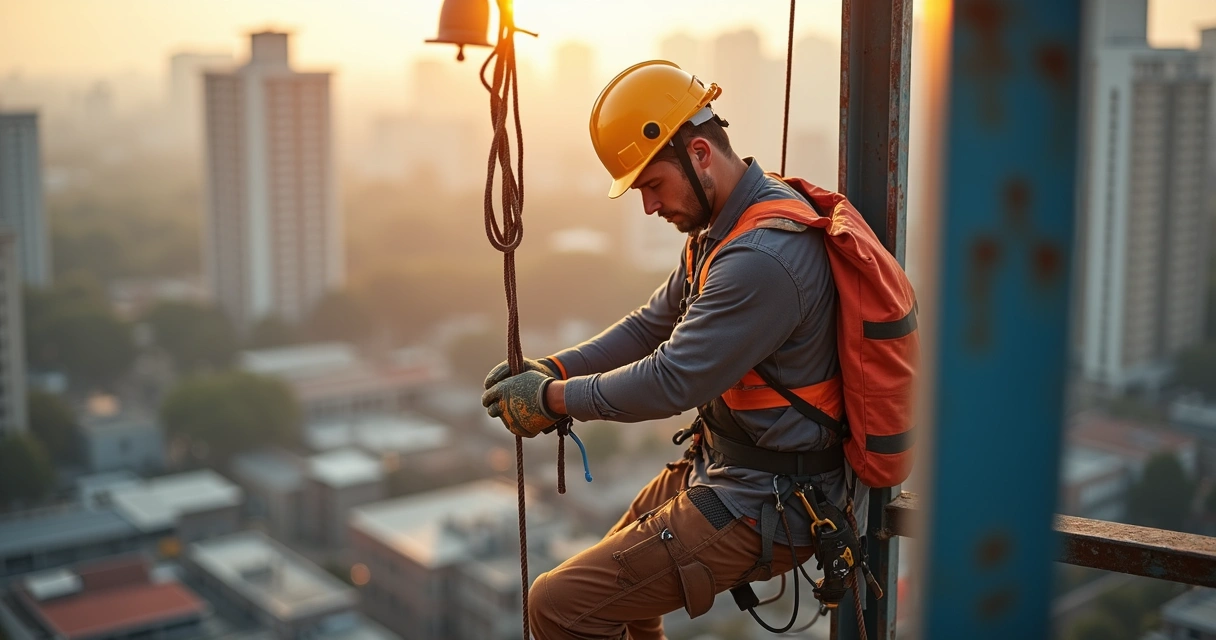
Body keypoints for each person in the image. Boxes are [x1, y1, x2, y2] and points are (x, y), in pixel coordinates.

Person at [482, 60, 867, 640]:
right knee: (618, 593)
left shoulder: (761, 259)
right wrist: (553, 369)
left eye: (653, 185)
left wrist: (554, 399)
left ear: (701, 154)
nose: (649, 207)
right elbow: (648, 327)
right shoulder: (724, 231)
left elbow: (670, 381)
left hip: (775, 498)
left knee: (557, 605)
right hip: (731, 468)